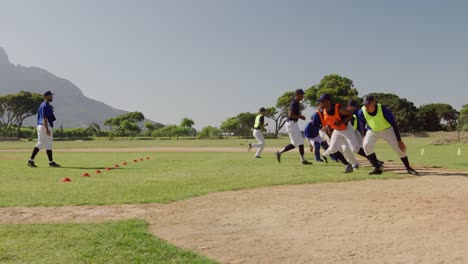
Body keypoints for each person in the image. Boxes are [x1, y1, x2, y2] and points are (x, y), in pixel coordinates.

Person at [317, 93, 380, 173]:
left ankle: (376, 162)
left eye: (321, 102)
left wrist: (341, 122)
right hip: (337, 130)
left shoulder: (338, 108)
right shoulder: (325, 111)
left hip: (347, 128)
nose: (320, 103)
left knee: (355, 149)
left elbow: (350, 114)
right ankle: (347, 165)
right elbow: (330, 123)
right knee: (333, 149)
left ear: (327, 102)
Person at [358, 94, 419, 175]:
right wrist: (364, 136)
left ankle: (408, 168)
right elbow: (362, 122)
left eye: (368, 104)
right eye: (365, 104)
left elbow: (394, 124)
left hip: (387, 130)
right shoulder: (361, 112)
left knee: (399, 148)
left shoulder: (383, 110)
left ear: (374, 102)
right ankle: (377, 168)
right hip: (372, 131)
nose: (366, 106)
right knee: (366, 146)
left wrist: (399, 140)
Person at [275, 89, 312, 165]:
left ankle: (303, 160)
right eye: (301, 94)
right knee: (294, 143)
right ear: (297, 94)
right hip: (291, 124)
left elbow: (291, 114)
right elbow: (290, 115)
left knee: (301, 142)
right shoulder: (295, 103)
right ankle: (279, 152)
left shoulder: (296, 103)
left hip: (294, 124)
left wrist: (299, 116)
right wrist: (300, 117)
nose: (303, 96)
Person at [27, 91, 60, 168]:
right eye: (50, 96)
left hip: (43, 126)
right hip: (44, 126)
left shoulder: (45, 105)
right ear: (45, 97)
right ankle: (30, 160)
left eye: (51, 95)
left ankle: (51, 162)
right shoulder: (45, 105)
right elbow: (44, 118)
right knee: (41, 144)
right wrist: (47, 129)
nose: (51, 97)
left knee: (48, 144)